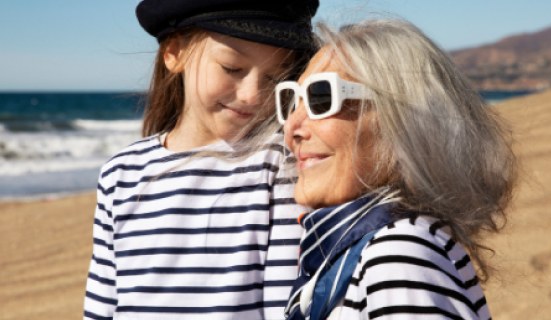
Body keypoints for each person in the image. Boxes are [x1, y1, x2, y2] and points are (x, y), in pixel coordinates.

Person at [84, 1, 319, 319]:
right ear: (174, 53)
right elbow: (100, 309)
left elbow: (283, 309)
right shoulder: (120, 174)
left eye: (273, 79)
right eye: (232, 68)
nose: (253, 94)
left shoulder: (279, 167)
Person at [277, 19, 517, 320]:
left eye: (320, 98)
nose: (291, 129)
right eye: (291, 101)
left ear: (401, 121)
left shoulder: (397, 255)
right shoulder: (363, 253)